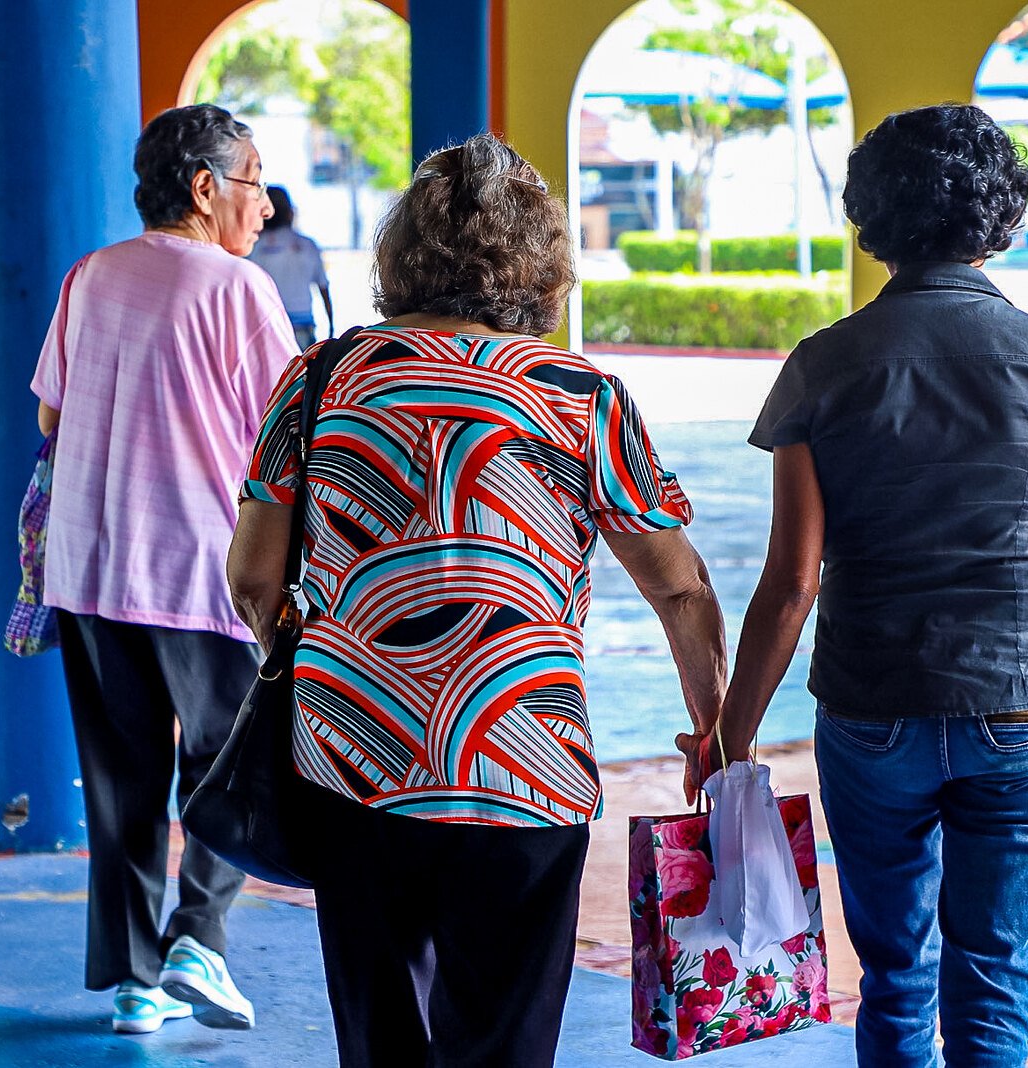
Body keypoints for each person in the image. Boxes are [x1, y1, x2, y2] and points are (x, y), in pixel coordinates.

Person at [227, 133, 726, 1067]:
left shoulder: (321, 377)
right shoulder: (582, 394)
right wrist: (711, 729)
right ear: (541, 264)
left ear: (400, 257)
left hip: (354, 761)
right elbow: (681, 587)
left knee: (380, 1041)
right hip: (522, 767)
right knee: (502, 1042)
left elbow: (254, 576)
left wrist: (303, 649)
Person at [683, 104, 1028, 1067]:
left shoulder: (822, 368)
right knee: (997, 972)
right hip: (1026, 712)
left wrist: (730, 737)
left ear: (871, 220)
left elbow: (791, 581)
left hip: (873, 710)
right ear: (1003, 220)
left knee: (895, 975)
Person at [31, 103, 297, 1035]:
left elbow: (51, 421)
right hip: (198, 570)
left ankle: (138, 986)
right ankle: (200, 939)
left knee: (121, 782)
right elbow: (289, 434)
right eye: (254, 180)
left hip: (90, 571)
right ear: (203, 187)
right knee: (236, 761)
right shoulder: (237, 291)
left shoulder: (90, 277)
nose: (263, 206)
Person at [248, 185, 334, 348]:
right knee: (302, 372)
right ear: (290, 212)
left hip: (266, 324)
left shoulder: (253, 246)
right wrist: (331, 326)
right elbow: (323, 287)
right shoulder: (308, 245)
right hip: (303, 322)